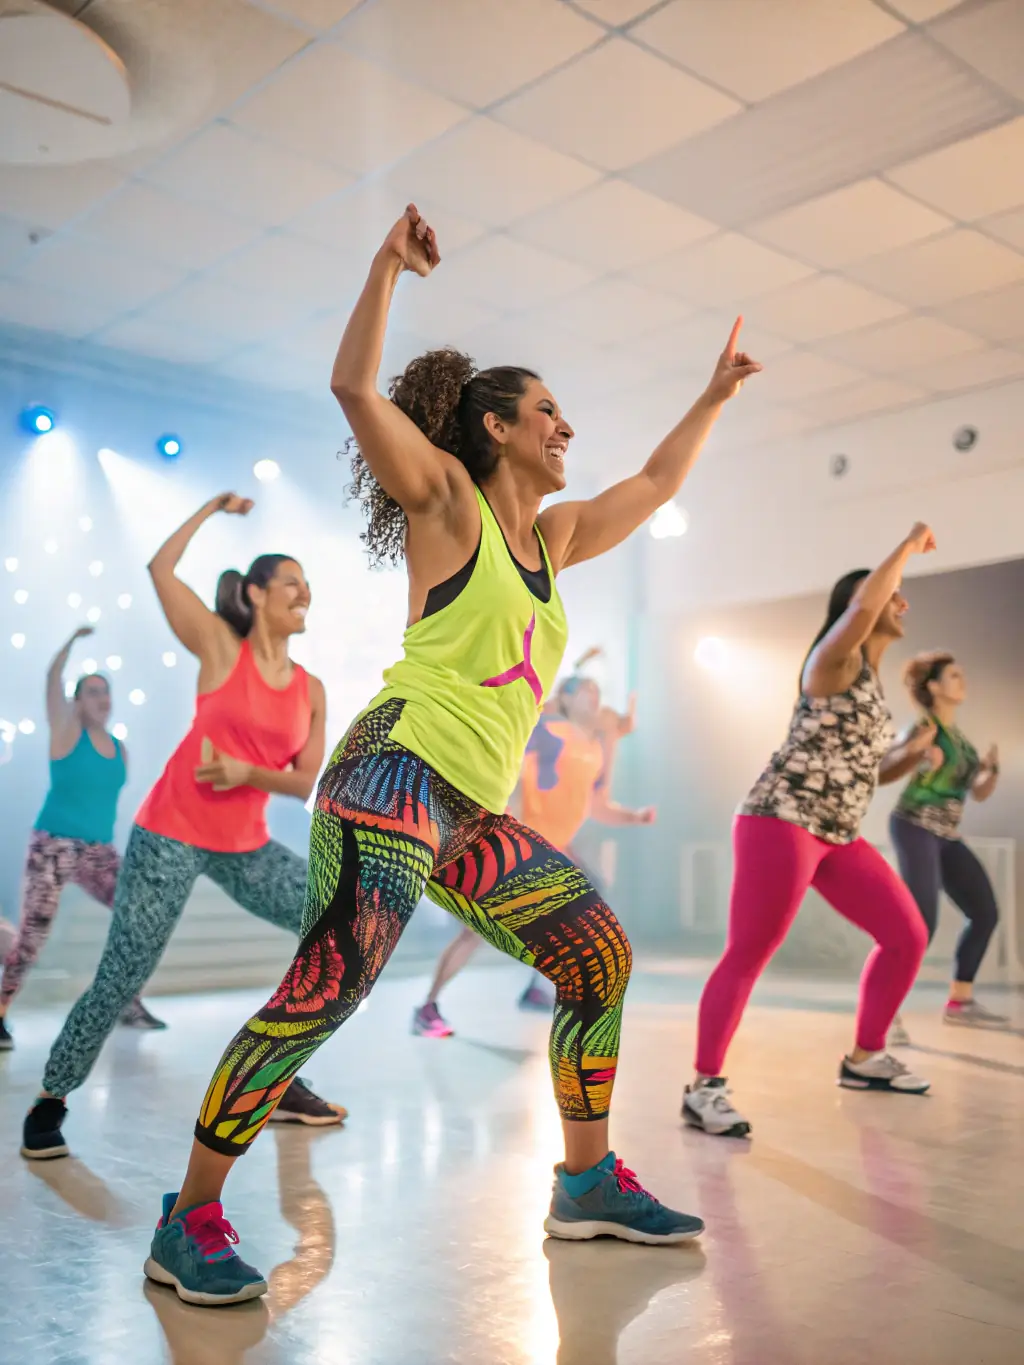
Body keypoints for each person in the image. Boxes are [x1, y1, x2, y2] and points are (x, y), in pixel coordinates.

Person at [143, 202, 762, 1306]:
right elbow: (352, 391)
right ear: (493, 430)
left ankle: (584, 1186)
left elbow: (657, 484)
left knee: (597, 956)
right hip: (391, 772)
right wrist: (386, 265)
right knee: (330, 986)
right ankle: (186, 1215)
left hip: (469, 810)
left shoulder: (556, 539)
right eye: (548, 412)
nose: (566, 430)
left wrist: (710, 398)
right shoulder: (446, 501)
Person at [20, 495, 344, 1159]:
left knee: (332, 921)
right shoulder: (222, 648)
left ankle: (278, 1076)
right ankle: (51, 1097)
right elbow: (160, 568)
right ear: (255, 594)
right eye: (291, 584)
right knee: (124, 970)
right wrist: (211, 509)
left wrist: (243, 771)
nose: (304, 594)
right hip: (171, 831)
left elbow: (304, 779)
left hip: (245, 845)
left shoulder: (309, 688)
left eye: (307, 586)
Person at [682, 526, 938, 1140]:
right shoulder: (832, 661)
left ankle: (866, 1058)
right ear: (864, 605)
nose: (901, 603)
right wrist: (906, 545)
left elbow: (867, 774)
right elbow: (866, 604)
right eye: (891, 595)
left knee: (907, 935)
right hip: (781, 820)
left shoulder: (873, 690)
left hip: (837, 833)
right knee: (751, 951)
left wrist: (912, 756)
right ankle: (704, 1089)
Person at [412, 670, 655, 1037]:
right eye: (585, 692)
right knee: (473, 932)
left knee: (579, 914)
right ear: (566, 699)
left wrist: (634, 816)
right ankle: (427, 1007)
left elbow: (596, 805)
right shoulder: (548, 733)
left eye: (597, 692)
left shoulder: (591, 748)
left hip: (550, 851)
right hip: (515, 846)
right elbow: (515, 778)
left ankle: (539, 989)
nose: (594, 699)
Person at [0, 629, 164, 1052]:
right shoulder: (65, 733)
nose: (102, 699)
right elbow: (51, 681)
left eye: (105, 692)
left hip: (97, 852)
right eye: (92, 692)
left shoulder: (120, 749)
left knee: (142, 911)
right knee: (32, 941)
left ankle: (127, 1001)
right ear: (77, 702)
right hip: (53, 848)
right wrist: (70, 642)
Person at [888, 652, 1006, 1032]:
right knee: (921, 922)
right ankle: (885, 1012)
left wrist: (990, 772)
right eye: (954, 676)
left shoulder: (963, 743)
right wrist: (917, 755)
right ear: (934, 687)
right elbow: (891, 759)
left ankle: (960, 1001)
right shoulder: (923, 727)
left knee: (984, 913)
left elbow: (978, 793)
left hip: (947, 835)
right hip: (914, 826)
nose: (962, 681)